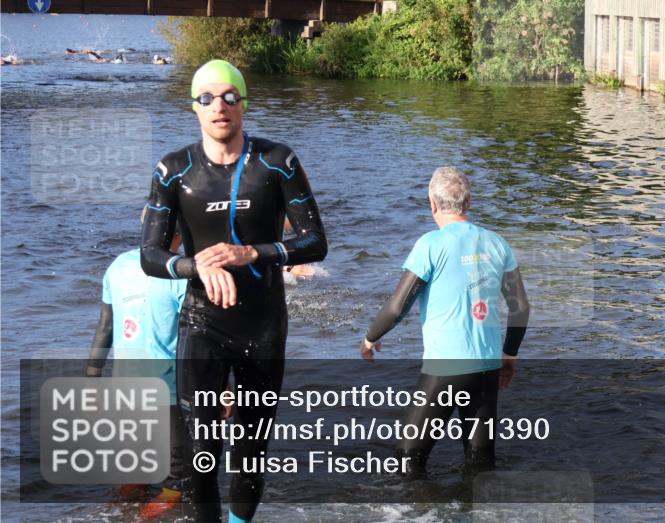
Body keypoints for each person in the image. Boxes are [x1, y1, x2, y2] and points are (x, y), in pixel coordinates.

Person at [141, 59, 327, 523]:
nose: (219, 106)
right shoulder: (173, 169)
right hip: (202, 324)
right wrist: (193, 265)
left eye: (229, 96)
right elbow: (149, 255)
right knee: (201, 451)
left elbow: (315, 242)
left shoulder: (277, 162)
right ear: (194, 107)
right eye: (207, 98)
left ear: (243, 103)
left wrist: (254, 254)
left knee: (250, 449)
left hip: (263, 327)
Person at [361, 166, 530, 474]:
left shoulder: (430, 245)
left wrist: (370, 337)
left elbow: (398, 307)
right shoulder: (496, 243)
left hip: (445, 369)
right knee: (480, 463)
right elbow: (520, 307)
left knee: (407, 461)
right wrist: (510, 353)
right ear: (469, 201)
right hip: (487, 367)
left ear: (432, 203)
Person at [87, 211, 188, 519]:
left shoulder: (118, 266)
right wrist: (223, 386)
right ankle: (162, 501)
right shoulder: (181, 273)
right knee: (178, 461)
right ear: (181, 236)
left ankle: (128, 494)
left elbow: (105, 326)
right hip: (166, 383)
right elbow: (191, 337)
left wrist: (91, 376)